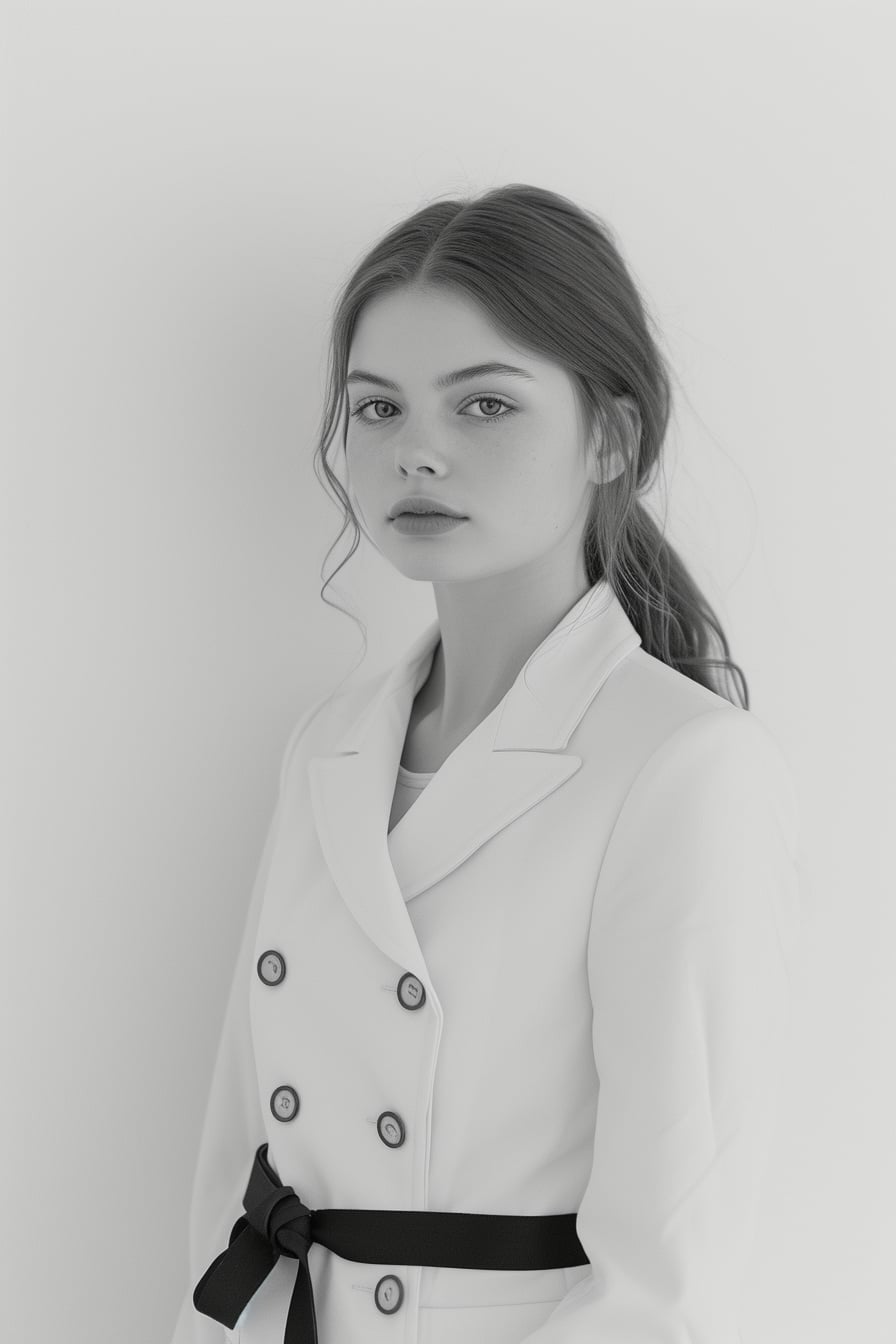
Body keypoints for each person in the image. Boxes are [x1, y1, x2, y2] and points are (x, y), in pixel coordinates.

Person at [170, 183, 805, 1344]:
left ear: (609, 436)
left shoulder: (681, 768)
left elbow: (669, 1283)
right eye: (377, 409)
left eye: (483, 406)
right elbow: (238, 1165)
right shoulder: (328, 742)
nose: (416, 451)